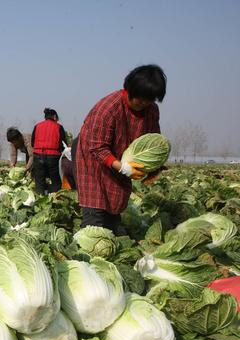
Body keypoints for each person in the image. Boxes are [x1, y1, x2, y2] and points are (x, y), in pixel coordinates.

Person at [75, 64, 166, 233]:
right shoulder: (109, 107)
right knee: (95, 213)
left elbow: (154, 141)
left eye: (150, 99)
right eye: (141, 98)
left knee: (113, 210)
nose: (144, 103)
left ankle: (110, 237)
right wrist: (124, 167)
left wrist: (154, 166)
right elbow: (97, 147)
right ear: (130, 89)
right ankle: (89, 254)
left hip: (119, 159)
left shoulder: (151, 110)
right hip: (92, 161)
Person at [30, 108, 67, 194]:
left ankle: (40, 199)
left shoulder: (37, 126)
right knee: (55, 180)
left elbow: (32, 142)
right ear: (54, 117)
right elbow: (63, 144)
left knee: (39, 181)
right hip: (53, 157)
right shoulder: (59, 127)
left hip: (38, 155)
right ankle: (55, 200)